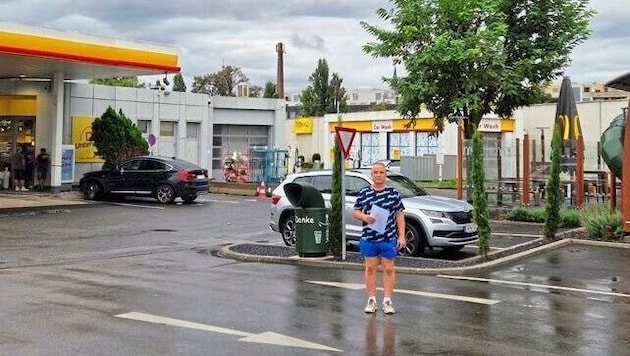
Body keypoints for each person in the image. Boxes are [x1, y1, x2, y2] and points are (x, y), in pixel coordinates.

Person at [352, 162, 405, 314]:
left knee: (389, 269)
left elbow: (399, 214)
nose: (378, 175)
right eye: (376, 172)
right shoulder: (364, 193)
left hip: (388, 238)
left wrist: (401, 236)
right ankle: (371, 299)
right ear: (372, 175)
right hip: (369, 237)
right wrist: (364, 217)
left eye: (381, 172)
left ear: (385, 175)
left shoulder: (393, 193)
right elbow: (355, 211)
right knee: (370, 268)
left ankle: (387, 300)